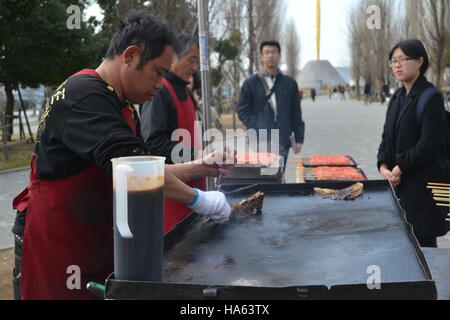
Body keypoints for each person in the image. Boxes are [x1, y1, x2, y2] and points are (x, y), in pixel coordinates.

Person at [11, 12, 234, 300]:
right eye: (158, 72)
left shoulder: (121, 103)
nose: (160, 84)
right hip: (62, 243)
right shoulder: (85, 95)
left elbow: (143, 171)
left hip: (93, 237)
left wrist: (204, 166)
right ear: (130, 56)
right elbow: (138, 175)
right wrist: (200, 200)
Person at [377, 39, 449, 248]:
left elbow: (429, 144)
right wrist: (383, 166)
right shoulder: (397, 96)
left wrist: (400, 167)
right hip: (399, 186)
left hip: (424, 188)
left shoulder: (430, 97)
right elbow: (386, 138)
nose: (397, 65)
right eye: (393, 61)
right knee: (403, 247)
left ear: (419, 61)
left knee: (424, 248)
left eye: (403, 59)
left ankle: (431, 282)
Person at [140, 33, 208, 234]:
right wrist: (198, 156)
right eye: (191, 60)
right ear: (174, 58)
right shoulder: (160, 91)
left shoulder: (185, 91)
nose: (195, 68)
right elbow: (152, 143)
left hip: (193, 194)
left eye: (197, 62)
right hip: (171, 198)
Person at [237, 40, 305, 167]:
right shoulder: (250, 83)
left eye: (274, 52)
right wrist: (255, 126)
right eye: (267, 53)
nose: (270, 56)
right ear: (261, 57)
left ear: (279, 55)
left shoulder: (289, 83)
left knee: (278, 175)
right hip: (259, 140)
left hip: (282, 139)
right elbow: (242, 110)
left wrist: (299, 138)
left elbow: (296, 112)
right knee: (260, 176)